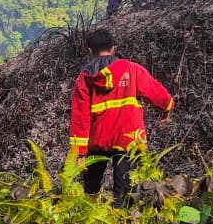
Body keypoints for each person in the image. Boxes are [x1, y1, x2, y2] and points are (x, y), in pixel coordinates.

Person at [67, 27, 173, 201]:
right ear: (113, 48)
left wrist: (79, 152)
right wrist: (166, 107)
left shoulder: (84, 79)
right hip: (128, 140)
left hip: (96, 141)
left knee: (90, 192)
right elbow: (156, 93)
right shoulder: (132, 69)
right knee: (124, 193)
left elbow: (80, 117)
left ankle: (91, 223)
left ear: (89, 51)